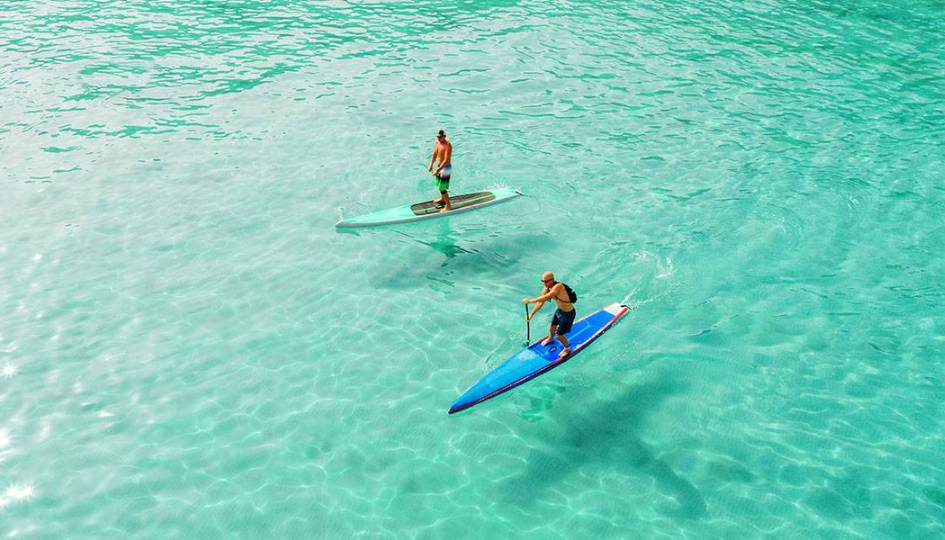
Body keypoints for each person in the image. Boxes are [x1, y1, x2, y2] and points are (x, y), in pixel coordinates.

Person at [522, 272, 577, 359]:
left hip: (568, 313)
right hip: (559, 311)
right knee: (552, 326)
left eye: (546, 281)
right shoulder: (546, 288)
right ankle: (550, 338)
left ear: (552, 280)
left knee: (559, 335)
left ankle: (567, 348)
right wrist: (531, 314)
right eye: (543, 281)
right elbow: (541, 302)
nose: (544, 283)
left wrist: (530, 301)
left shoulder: (558, 286)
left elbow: (546, 297)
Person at [428, 129, 453, 212]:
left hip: (446, 168)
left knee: (442, 187)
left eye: (440, 137)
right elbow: (435, 153)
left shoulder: (448, 145)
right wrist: (431, 164)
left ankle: (448, 206)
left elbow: (446, 160)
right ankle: (443, 199)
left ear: (444, 137)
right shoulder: (437, 142)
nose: (439, 138)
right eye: (438, 137)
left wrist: (438, 170)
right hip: (439, 167)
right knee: (439, 184)